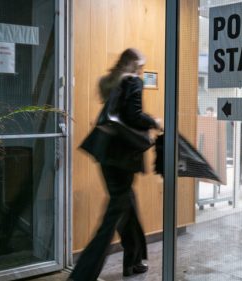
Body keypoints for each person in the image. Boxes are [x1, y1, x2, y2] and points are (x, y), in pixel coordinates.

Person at [70, 48, 160, 281]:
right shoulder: (132, 82)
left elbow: (117, 114)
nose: (141, 70)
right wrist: (155, 122)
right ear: (134, 64)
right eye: (140, 65)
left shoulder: (109, 81)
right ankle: (82, 275)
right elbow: (134, 115)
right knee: (113, 216)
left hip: (106, 155)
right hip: (123, 158)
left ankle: (133, 261)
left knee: (126, 204)